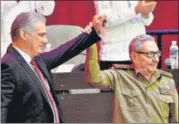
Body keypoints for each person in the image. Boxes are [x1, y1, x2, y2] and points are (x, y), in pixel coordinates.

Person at [1, 12, 106, 123]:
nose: (46, 40)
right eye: (41, 35)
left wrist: (93, 32)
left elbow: (66, 51)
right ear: (24, 35)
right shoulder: (7, 66)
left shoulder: (37, 59)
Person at [85, 34, 178, 123]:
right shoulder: (119, 76)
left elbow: (176, 119)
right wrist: (91, 45)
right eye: (150, 54)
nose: (156, 59)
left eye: (157, 54)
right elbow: (94, 79)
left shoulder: (167, 81)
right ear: (134, 56)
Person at [94, 1, 157, 70]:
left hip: (140, 54)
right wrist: (135, 11)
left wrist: (146, 13)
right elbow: (103, 21)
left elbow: (147, 21)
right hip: (115, 56)